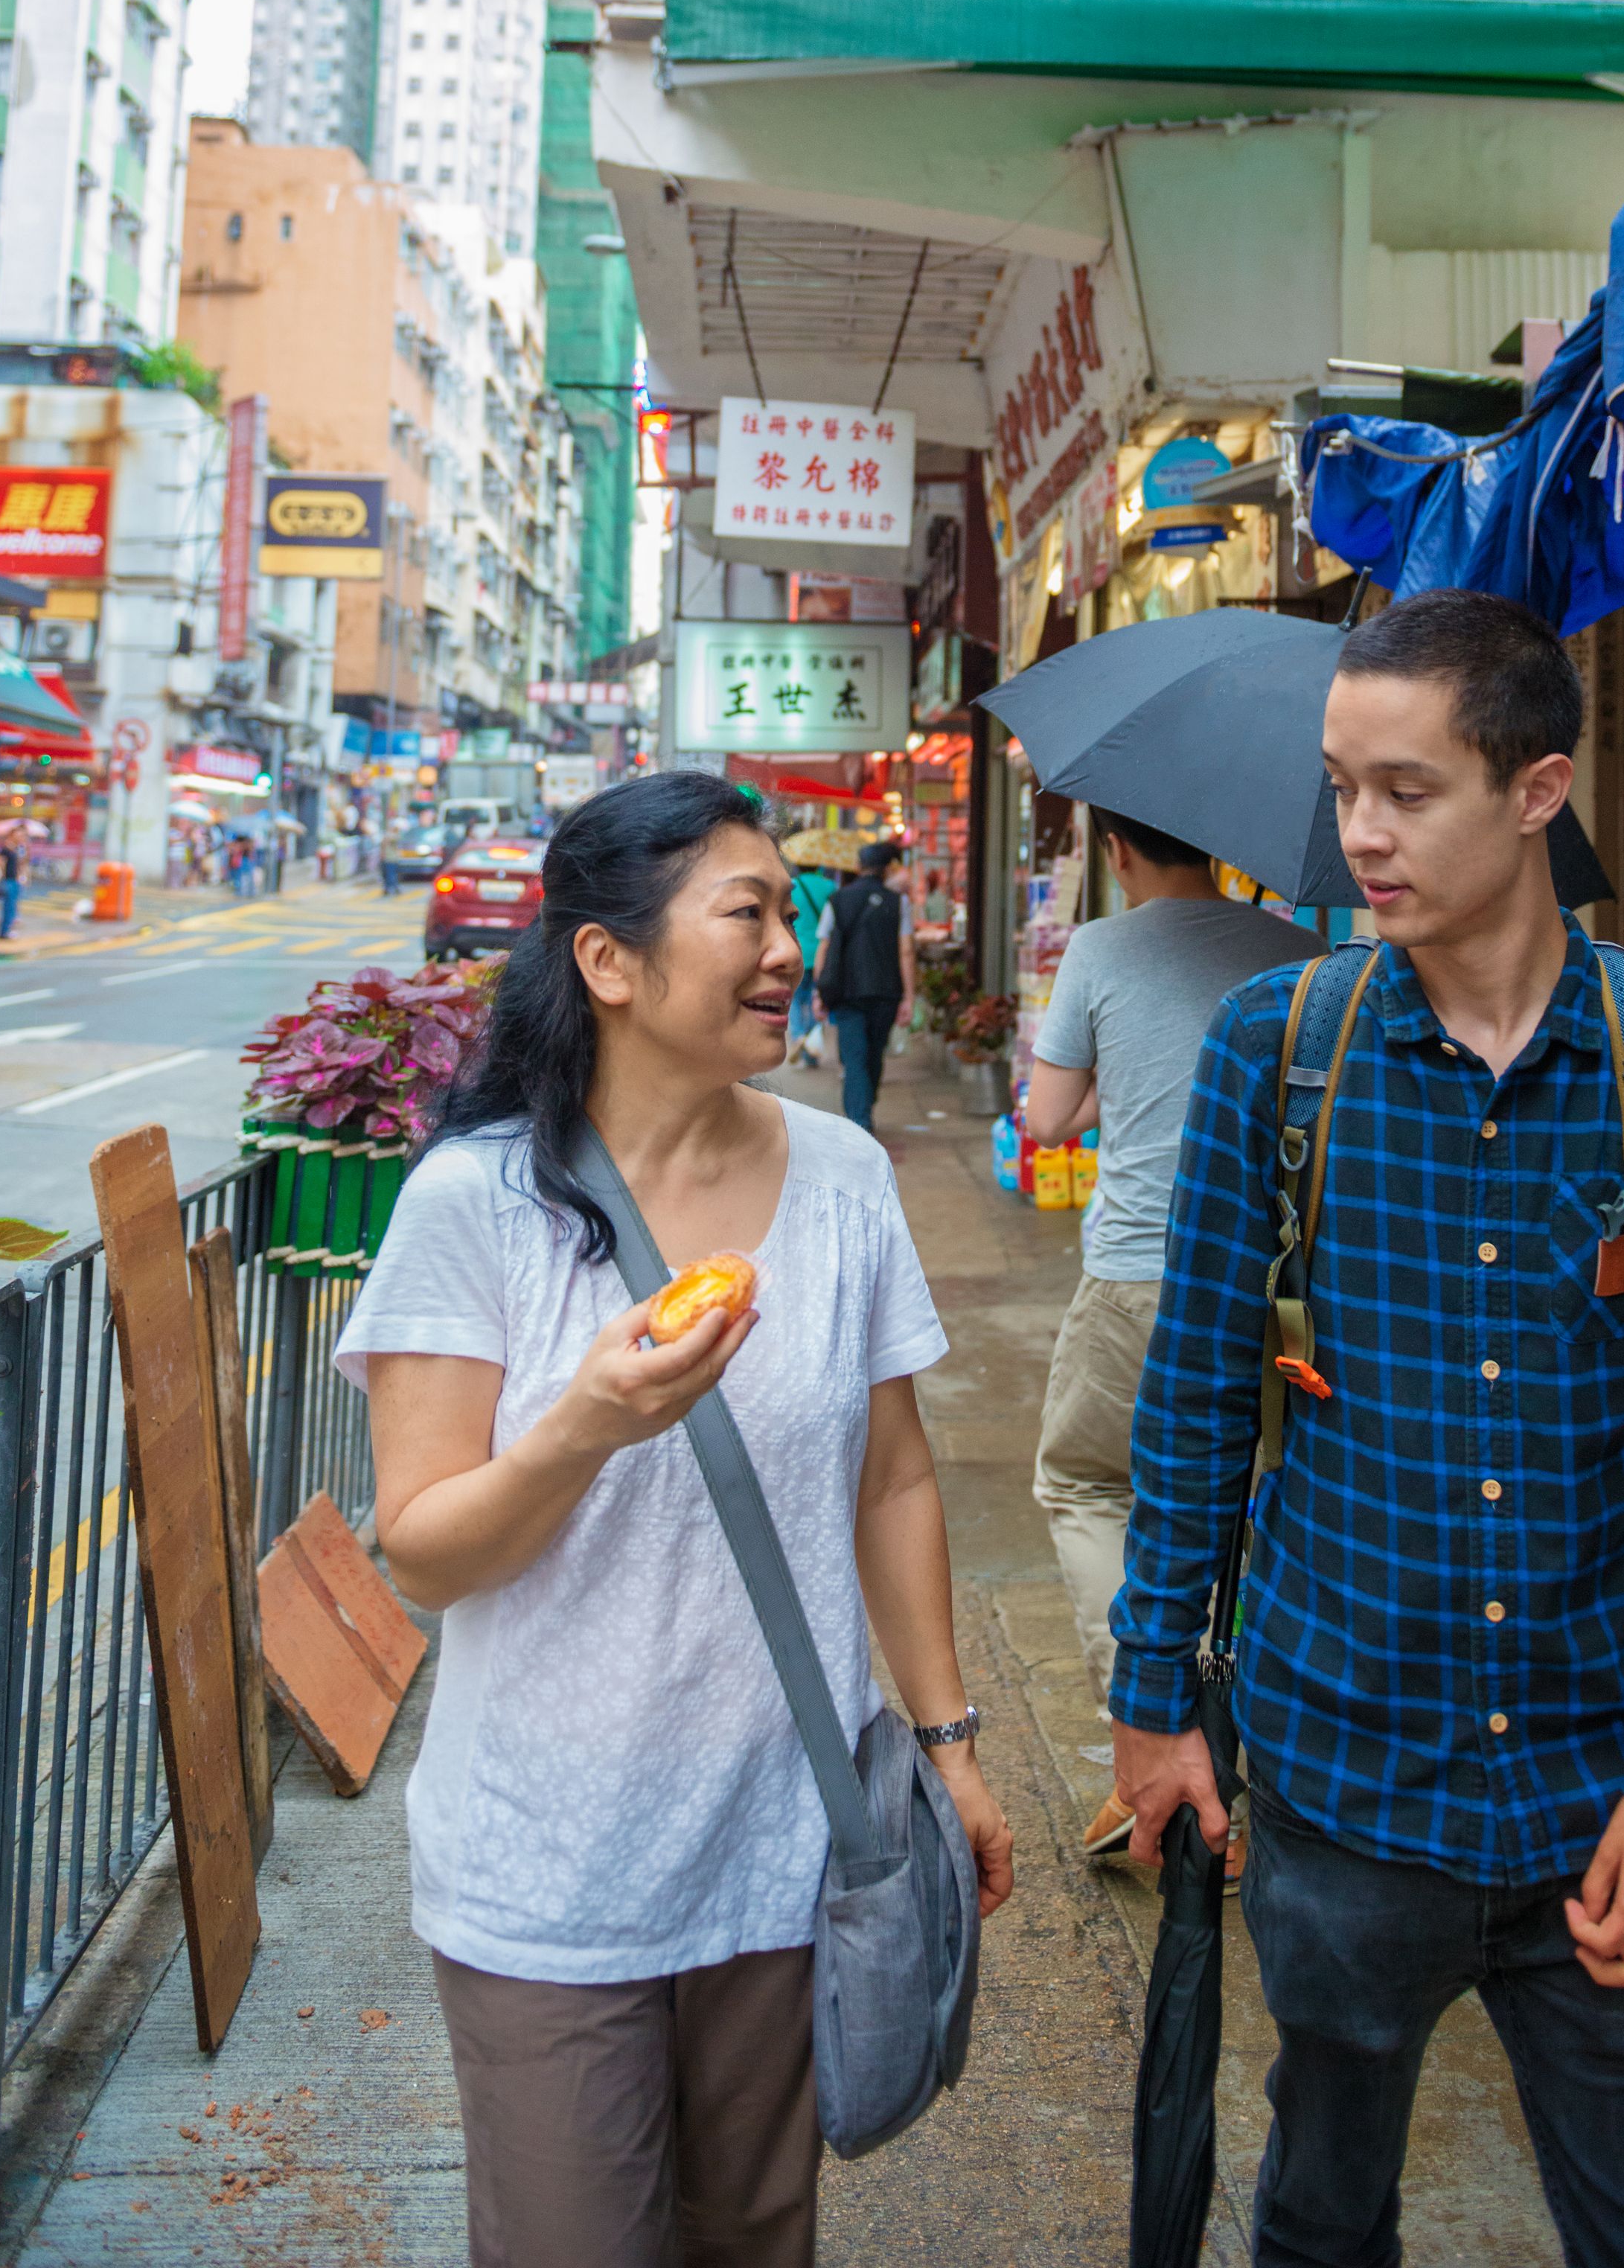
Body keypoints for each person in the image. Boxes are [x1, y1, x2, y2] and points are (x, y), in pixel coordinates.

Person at [1109, 590, 1624, 2268]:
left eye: (1406, 793)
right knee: (1320, 2214)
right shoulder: (1279, 1054)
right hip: (1341, 1776)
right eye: (1342, 788)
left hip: (1602, 1797)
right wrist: (1151, 1706)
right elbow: (1196, 1396)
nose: (1358, 836)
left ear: (1538, 790)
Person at [341, 770, 1011, 2268]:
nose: (790, 948)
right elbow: (425, 1548)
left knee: (756, 2243)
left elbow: (892, 1478)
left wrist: (949, 1744)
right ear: (608, 961)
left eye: (793, 911)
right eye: (749, 912)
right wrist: (585, 1425)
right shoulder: (478, 1204)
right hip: (553, 1876)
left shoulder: (840, 1177)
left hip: (786, 1852)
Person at [1023, 810, 1317, 1859]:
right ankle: (1242, 1787)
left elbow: (1047, 1121)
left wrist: (1121, 1072)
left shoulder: (1101, 948)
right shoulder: (1300, 951)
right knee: (1245, 1517)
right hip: (1274, 1287)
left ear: (1115, 850)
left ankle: (1150, 1746)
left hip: (1139, 1276)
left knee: (1090, 1484)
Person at [814, 838, 914, 1135]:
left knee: (854, 1056)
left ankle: (859, 1117)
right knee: (874, 1052)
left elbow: (825, 946)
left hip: (847, 991)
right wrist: (909, 997)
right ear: (886, 870)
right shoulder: (900, 903)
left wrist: (821, 989)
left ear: (858, 867)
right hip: (886, 990)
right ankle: (863, 1111)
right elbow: (906, 951)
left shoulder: (838, 900)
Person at [782, 858, 837, 1067]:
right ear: (818, 865)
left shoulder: (791, 886)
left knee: (794, 998)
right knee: (818, 999)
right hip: (823, 953)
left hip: (797, 949)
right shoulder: (830, 886)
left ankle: (797, 1036)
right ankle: (811, 1047)